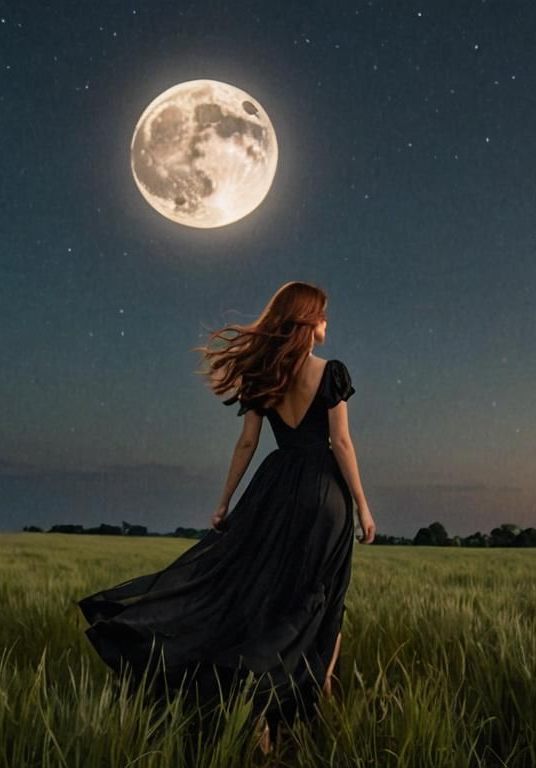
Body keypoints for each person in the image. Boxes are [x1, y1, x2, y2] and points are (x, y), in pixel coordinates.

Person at [77, 280, 375, 757]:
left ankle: (256, 702)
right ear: (307, 321)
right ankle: (311, 698)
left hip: (273, 489)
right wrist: (361, 504)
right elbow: (340, 442)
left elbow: (247, 444)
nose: (326, 322)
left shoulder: (263, 376)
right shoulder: (332, 372)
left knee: (262, 595)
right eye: (322, 314)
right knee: (323, 598)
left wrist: (224, 502)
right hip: (324, 493)